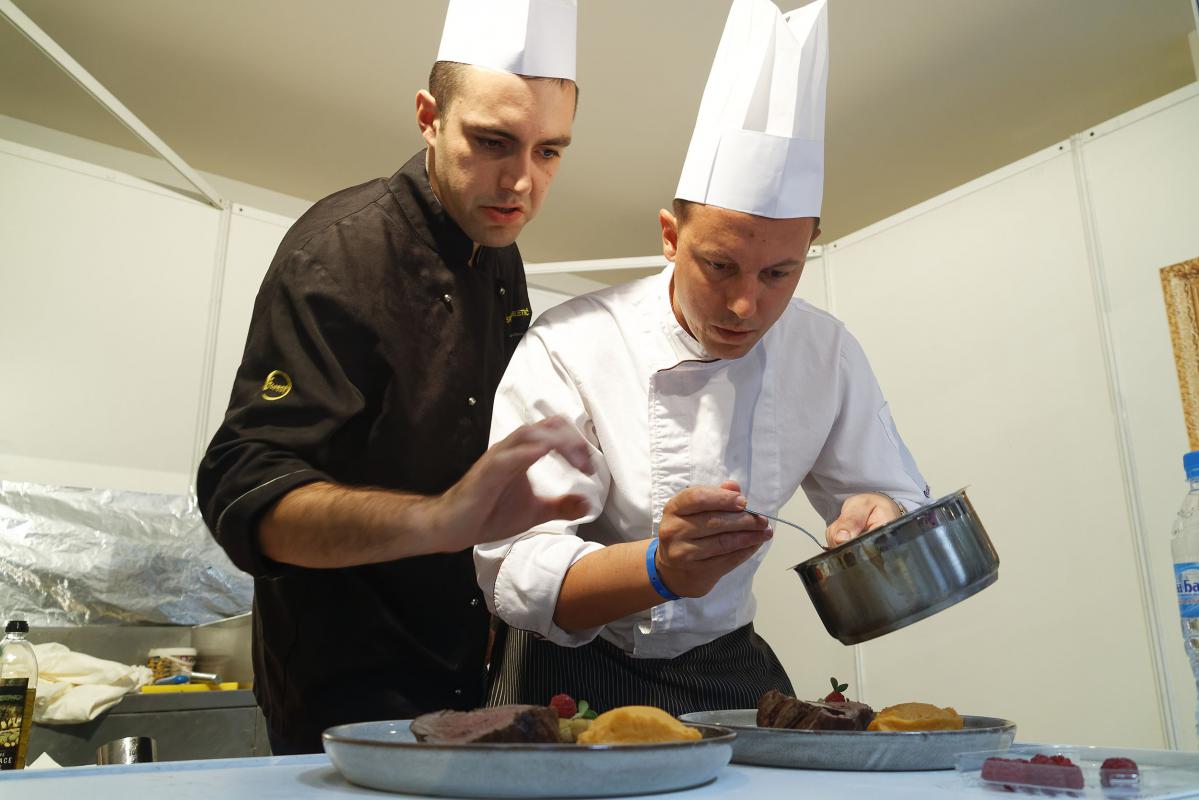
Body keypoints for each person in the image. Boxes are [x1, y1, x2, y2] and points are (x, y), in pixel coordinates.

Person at [475, 0, 932, 715]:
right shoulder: (571, 344)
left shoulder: (824, 350)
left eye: (778, 273)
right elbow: (514, 565)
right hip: (571, 658)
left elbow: (900, 501)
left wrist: (878, 515)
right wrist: (659, 568)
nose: (745, 305)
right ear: (669, 236)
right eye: (719, 266)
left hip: (727, 654)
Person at [196, 0, 587, 754]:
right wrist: (439, 521)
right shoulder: (340, 250)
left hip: (464, 663)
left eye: (548, 152)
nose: (521, 181)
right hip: (343, 681)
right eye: (492, 141)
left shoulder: (500, 258)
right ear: (428, 118)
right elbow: (244, 488)